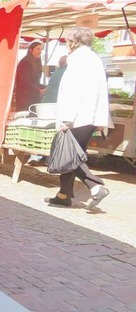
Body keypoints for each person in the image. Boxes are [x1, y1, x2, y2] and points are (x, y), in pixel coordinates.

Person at [45, 27, 110, 210]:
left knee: (69, 156)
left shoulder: (78, 60)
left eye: (67, 41)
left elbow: (73, 92)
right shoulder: (94, 59)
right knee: (71, 153)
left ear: (73, 42)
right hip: (90, 117)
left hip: (77, 117)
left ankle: (95, 186)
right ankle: (63, 195)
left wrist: (66, 119)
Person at [15, 41, 45, 112]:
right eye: (38, 49)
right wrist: (38, 90)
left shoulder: (37, 63)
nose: (40, 51)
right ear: (31, 50)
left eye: (41, 49)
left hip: (33, 96)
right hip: (25, 97)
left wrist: (45, 87)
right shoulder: (25, 62)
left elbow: (35, 81)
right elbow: (25, 80)